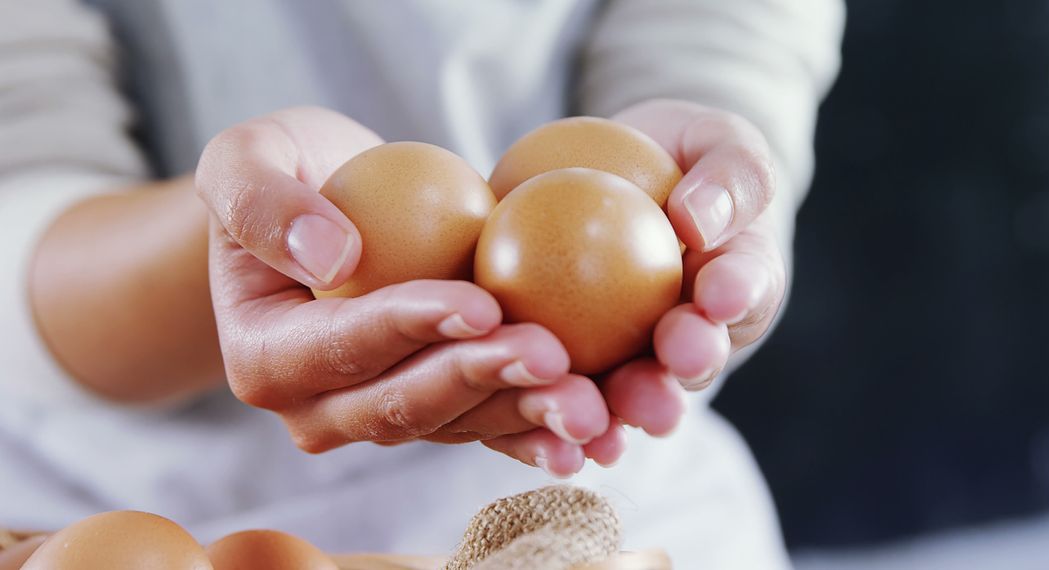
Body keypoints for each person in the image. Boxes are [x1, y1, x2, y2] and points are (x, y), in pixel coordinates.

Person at [0, 0, 844, 567]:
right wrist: (262, 232)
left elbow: (722, 42)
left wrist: (710, 198)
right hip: (119, 494)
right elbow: (26, 191)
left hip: (593, 503)